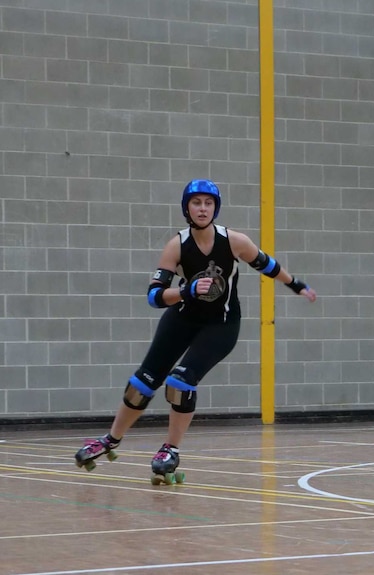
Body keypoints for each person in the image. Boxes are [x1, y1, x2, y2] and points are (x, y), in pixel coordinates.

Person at [74, 179, 317, 482]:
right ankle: (111, 439)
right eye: (196, 202)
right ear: (186, 208)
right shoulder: (176, 245)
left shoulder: (234, 241)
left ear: (216, 208)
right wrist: (186, 290)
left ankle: (171, 449)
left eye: (208, 203)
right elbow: (154, 296)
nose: (203, 208)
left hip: (221, 325)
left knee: (180, 382)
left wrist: (296, 286)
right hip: (182, 318)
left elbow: (267, 265)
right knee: (141, 384)